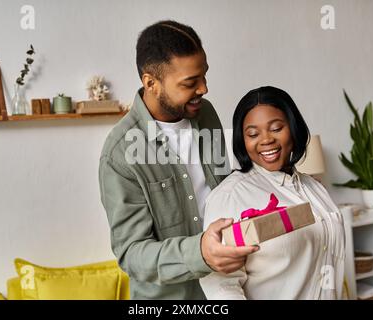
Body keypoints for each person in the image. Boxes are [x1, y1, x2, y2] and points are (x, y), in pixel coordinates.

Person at [99, 20, 258, 300]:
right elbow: (132, 253)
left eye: (204, 76)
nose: (204, 89)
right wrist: (200, 254)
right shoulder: (120, 153)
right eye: (190, 83)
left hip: (229, 288)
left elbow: (224, 189)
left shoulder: (205, 114)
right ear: (151, 83)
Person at [199, 86, 345, 300]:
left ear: (293, 129)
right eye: (253, 134)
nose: (266, 139)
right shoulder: (230, 196)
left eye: (276, 128)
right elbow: (221, 286)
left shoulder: (314, 188)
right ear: (243, 140)